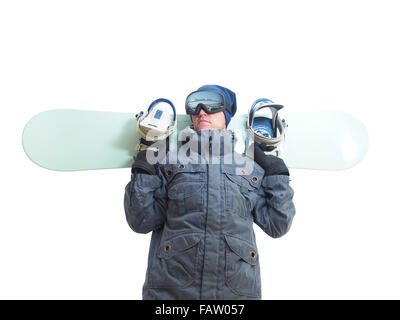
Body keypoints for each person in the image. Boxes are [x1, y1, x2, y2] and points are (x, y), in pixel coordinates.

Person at [124, 85, 295, 300]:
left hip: (235, 296)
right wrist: (144, 166)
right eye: (194, 106)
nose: (201, 111)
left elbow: (277, 225)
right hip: (172, 293)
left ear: (227, 114)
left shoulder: (251, 167)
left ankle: (266, 142)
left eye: (212, 104)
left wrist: (276, 173)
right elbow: (141, 221)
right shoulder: (169, 161)